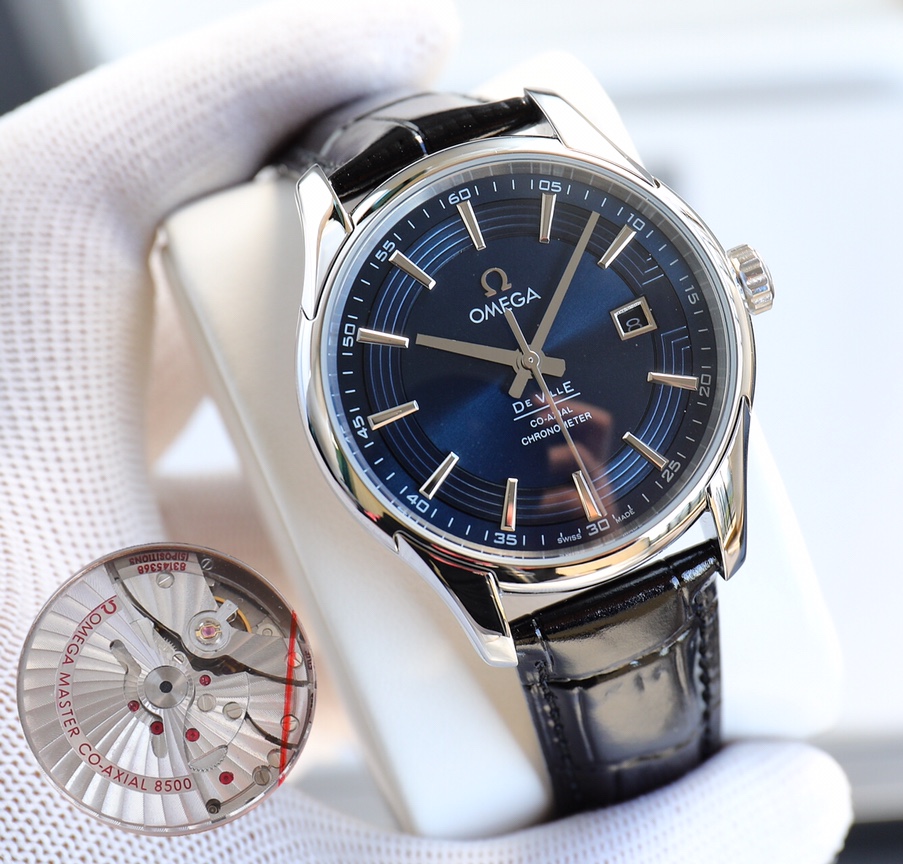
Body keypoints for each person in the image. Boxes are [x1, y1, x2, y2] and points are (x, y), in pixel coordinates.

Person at [0, 1, 851, 860]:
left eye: (543, 350)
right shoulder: (337, 231)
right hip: (509, 556)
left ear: (733, 286)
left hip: (673, 512)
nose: (533, 367)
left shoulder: (555, 135)